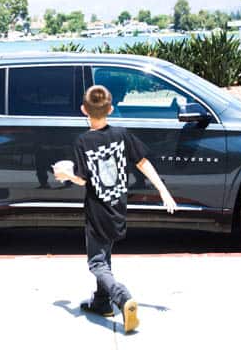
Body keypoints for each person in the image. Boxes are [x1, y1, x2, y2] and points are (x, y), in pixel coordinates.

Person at [54, 85, 177, 334]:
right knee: (106, 256)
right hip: (118, 207)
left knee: (97, 263)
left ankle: (122, 298)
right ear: (110, 109)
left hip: (97, 210)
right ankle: (102, 303)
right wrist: (163, 190)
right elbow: (143, 162)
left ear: (83, 110)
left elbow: (83, 179)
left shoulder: (82, 141)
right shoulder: (122, 134)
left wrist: (66, 174)